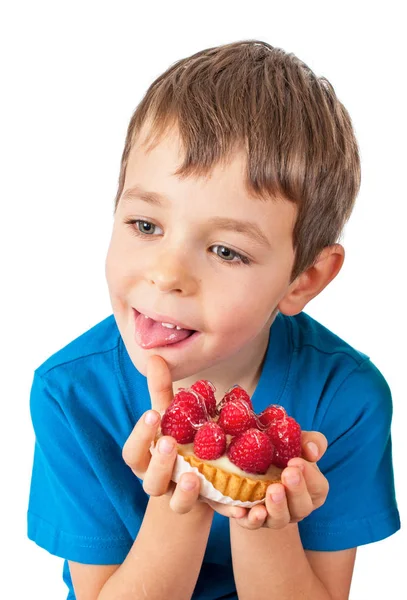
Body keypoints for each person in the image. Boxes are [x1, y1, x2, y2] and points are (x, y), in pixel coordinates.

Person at [27, 40, 400, 600]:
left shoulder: (345, 399)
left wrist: (260, 513)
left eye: (226, 250)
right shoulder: (71, 395)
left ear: (304, 279)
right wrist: (179, 500)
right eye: (145, 225)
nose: (167, 272)